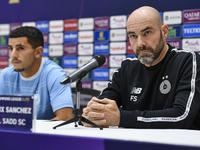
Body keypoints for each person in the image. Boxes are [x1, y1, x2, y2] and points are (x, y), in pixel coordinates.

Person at [82, 6, 200, 129]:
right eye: (133, 36)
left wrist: (121, 118)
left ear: (164, 32)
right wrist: (93, 113)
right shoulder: (127, 68)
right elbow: (100, 108)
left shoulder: (188, 61)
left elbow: (182, 116)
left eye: (147, 33)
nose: (140, 44)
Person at [0, 26, 74, 121]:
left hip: (44, 136)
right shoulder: (7, 75)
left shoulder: (54, 74)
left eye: (20, 48)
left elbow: (65, 118)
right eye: (11, 48)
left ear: (38, 52)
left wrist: (32, 132)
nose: (13, 55)